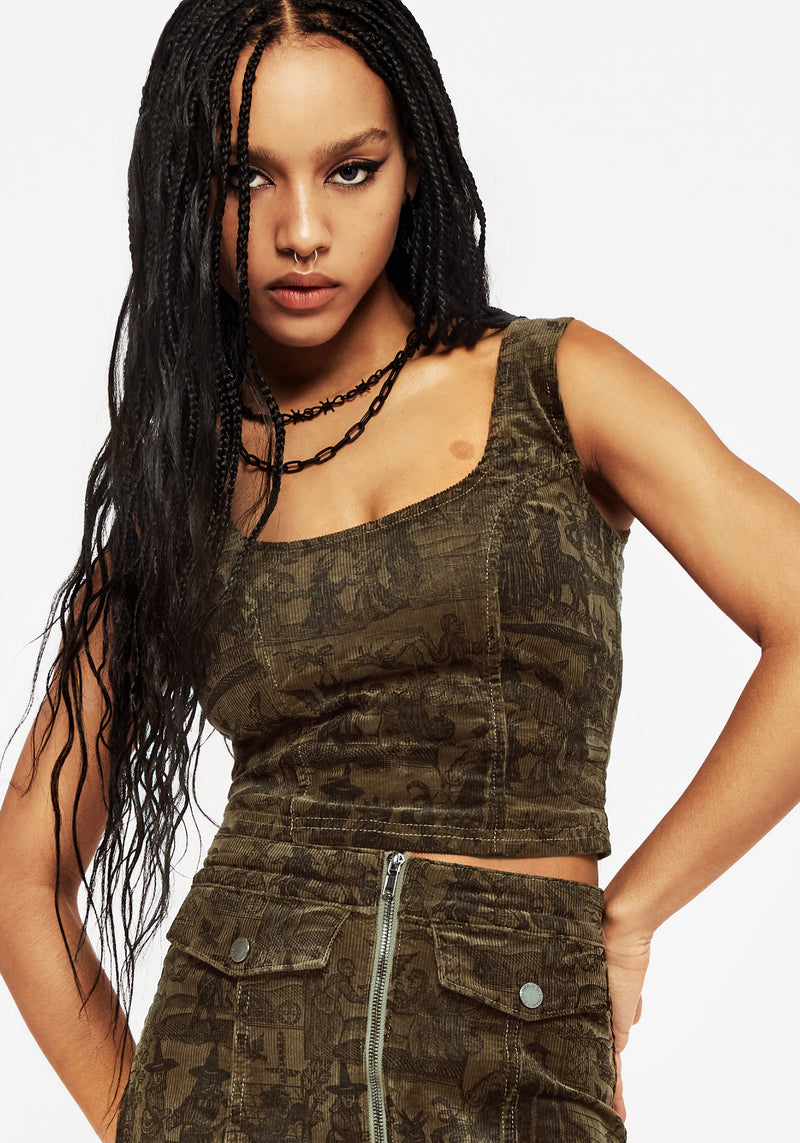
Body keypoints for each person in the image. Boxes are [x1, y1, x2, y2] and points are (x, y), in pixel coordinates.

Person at [0, 1, 798, 1141]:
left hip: (520, 1066)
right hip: (227, 1066)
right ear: (188, 192)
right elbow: (24, 874)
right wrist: (143, 1120)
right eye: (246, 177)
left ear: (411, 164)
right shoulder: (186, 486)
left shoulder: (553, 388)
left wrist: (631, 915)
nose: (300, 230)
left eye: (350, 170)